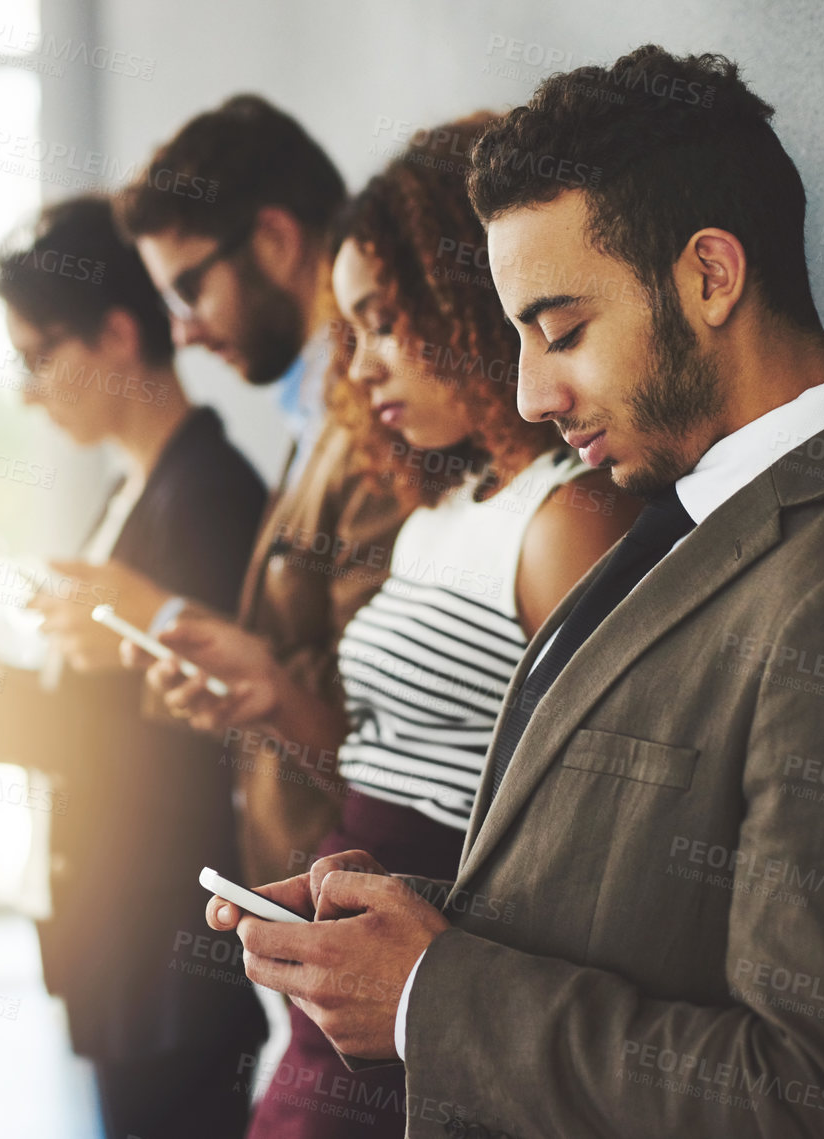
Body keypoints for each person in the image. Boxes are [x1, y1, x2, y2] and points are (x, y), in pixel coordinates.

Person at [208, 46, 824, 1138]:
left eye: (561, 331)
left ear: (708, 275)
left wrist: (428, 992)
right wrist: (423, 923)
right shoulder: (679, 514)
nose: (528, 390)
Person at [131, 115, 638, 1137]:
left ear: (464, 296)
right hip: (340, 993)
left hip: (421, 1004)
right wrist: (272, 693)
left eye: (376, 320)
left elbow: (591, 852)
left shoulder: (568, 520)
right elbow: (383, 759)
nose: (354, 369)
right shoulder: (441, 513)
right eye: (345, 328)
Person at [0, 196, 268, 1139]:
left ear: (117, 332)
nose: (25, 390)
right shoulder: (139, 488)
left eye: (35, 355)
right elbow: (113, 696)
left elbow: (172, 747)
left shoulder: (205, 492)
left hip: (173, 954)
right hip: (129, 952)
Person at [36, 95, 409, 890]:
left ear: (274, 240)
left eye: (189, 290)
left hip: (351, 897)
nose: (183, 331)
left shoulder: (381, 426)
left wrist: (165, 622)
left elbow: (377, 725)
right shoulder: (312, 417)